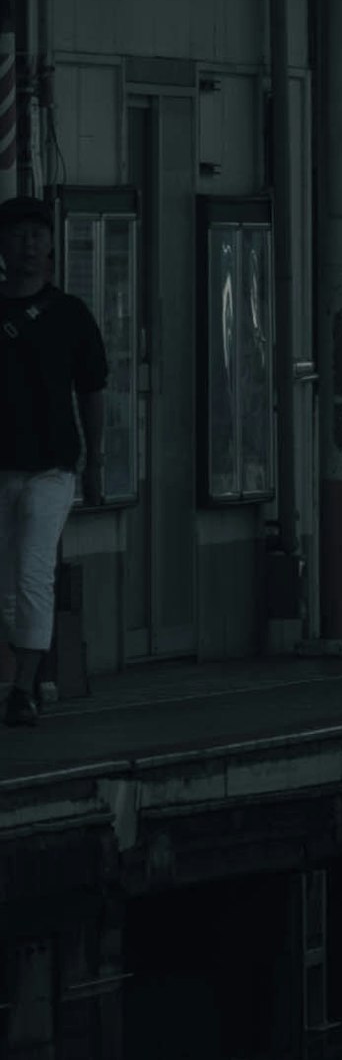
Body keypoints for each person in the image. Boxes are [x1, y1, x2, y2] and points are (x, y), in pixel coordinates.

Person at [0, 199, 108, 731]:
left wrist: (96, 458)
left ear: (50, 246)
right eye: (18, 236)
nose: (28, 245)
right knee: (5, 580)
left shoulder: (70, 315)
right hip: (1, 463)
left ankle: (23, 689)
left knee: (33, 571)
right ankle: (27, 673)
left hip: (53, 465)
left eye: (37, 236)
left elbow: (92, 389)